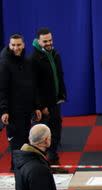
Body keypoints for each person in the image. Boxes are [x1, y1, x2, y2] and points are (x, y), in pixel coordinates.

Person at [0, 34, 42, 157]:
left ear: (23, 45)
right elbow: (2, 89)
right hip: (12, 112)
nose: (16, 47)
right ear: (9, 45)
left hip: (26, 110)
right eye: (13, 45)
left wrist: (36, 107)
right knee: (16, 144)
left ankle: (23, 169)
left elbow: (32, 87)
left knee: (25, 141)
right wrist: (4, 110)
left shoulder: (27, 62)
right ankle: (16, 169)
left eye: (18, 45)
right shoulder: (4, 64)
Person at [30, 28, 66, 165]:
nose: (48, 43)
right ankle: (41, 163)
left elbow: (59, 75)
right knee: (41, 137)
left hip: (55, 101)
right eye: (45, 41)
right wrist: (41, 106)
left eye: (50, 40)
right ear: (38, 41)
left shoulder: (55, 54)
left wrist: (62, 94)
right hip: (44, 105)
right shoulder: (33, 59)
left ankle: (53, 160)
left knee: (56, 130)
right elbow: (34, 86)